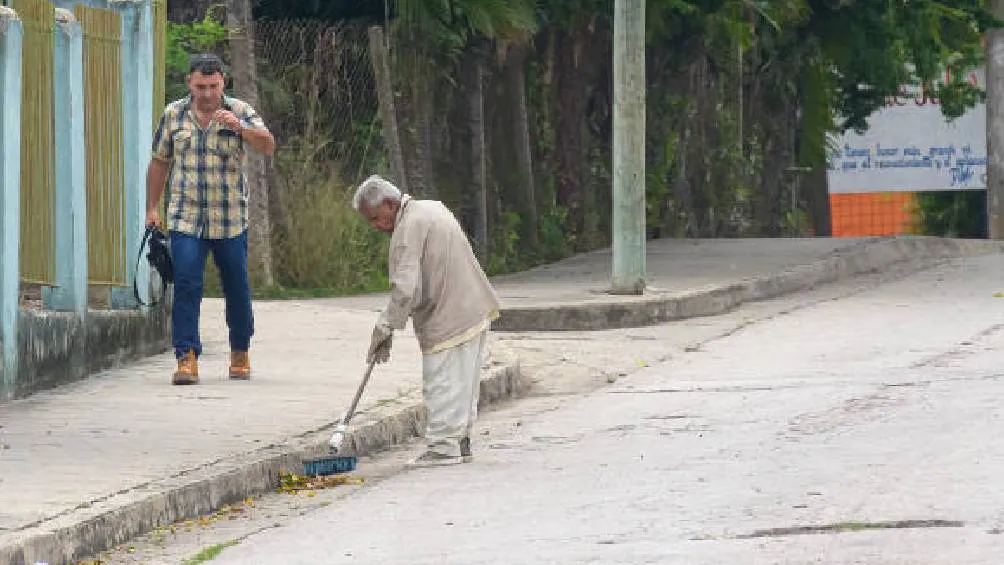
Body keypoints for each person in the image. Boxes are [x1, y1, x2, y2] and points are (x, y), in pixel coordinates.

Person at [145, 53, 276, 385]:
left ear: (223, 83)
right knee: (187, 283)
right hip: (186, 217)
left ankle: (240, 351)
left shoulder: (240, 111)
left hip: (229, 218)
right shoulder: (173, 115)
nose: (206, 93)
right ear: (189, 83)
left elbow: (268, 145)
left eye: (213, 86)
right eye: (200, 86)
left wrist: (241, 128)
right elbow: (160, 161)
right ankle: (186, 356)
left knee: (237, 285)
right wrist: (151, 208)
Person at [353, 174, 501, 467]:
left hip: (448, 315)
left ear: (389, 203)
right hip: (474, 306)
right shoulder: (432, 208)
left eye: (375, 218)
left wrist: (385, 327)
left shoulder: (408, 228)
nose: (374, 226)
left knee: (442, 382)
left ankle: (443, 447)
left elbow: (406, 288)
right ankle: (461, 440)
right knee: (464, 382)